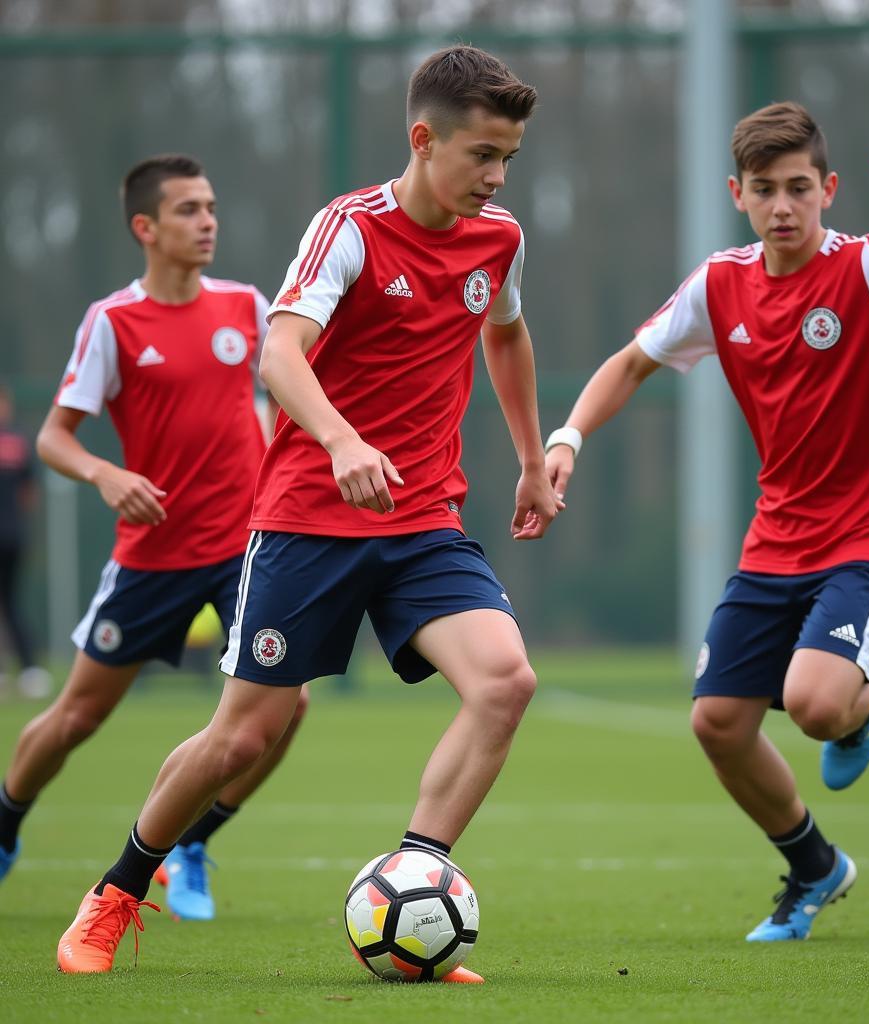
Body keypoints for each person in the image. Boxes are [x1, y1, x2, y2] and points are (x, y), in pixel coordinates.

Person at [55, 46, 559, 979]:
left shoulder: (499, 239)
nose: (496, 178)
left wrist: (532, 459)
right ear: (423, 139)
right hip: (306, 522)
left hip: (421, 523)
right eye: (482, 155)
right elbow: (280, 356)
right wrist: (340, 440)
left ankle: (419, 889)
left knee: (504, 682)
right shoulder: (351, 228)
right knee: (241, 737)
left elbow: (507, 333)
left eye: (508, 160)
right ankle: (116, 894)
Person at [545, 102, 869, 942]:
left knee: (815, 705)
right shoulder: (720, 283)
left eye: (800, 187)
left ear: (830, 189)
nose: (784, 206)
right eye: (765, 190)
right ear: (739, 194)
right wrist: (568, 437)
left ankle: (858, 703)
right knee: (716, 723)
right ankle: (813, 867)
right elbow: (631, 362)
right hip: (776, 541)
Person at [0, 154, 308, 922]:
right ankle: (5, 823)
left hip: (246, 549)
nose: (207, 221)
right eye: (187, 210)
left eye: (211, 206)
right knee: (76, 717)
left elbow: (282, 396)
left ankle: (191, 846)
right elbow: (53, 437)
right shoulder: (114, 321)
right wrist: (106, 475)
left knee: (289, 705)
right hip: (154, 556)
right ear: (146, 227)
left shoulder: (246, 305)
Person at [0, 383, 52, 699]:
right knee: (11, 603)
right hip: (16, 535)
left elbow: (29, 493)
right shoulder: (20, 439)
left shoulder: (18, 440)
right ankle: (28, 669)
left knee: (10, 603)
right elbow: (30, 493)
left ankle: (29, 670)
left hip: (11, 536)